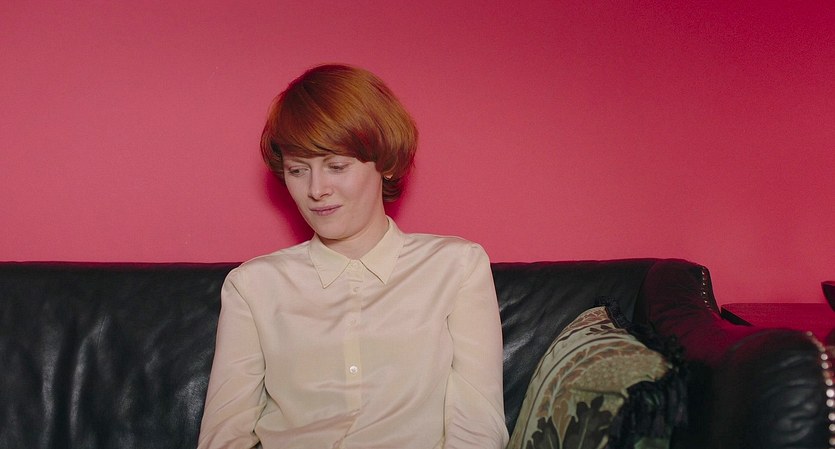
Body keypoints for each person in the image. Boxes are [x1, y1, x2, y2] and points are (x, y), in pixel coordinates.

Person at [197, 64, 508, 449]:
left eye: (336, 166)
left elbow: (478, 422)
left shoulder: (457, 267)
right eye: (298, 170)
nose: (316, 190)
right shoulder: (252, 285)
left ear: (387, 164)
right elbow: (224, 434)